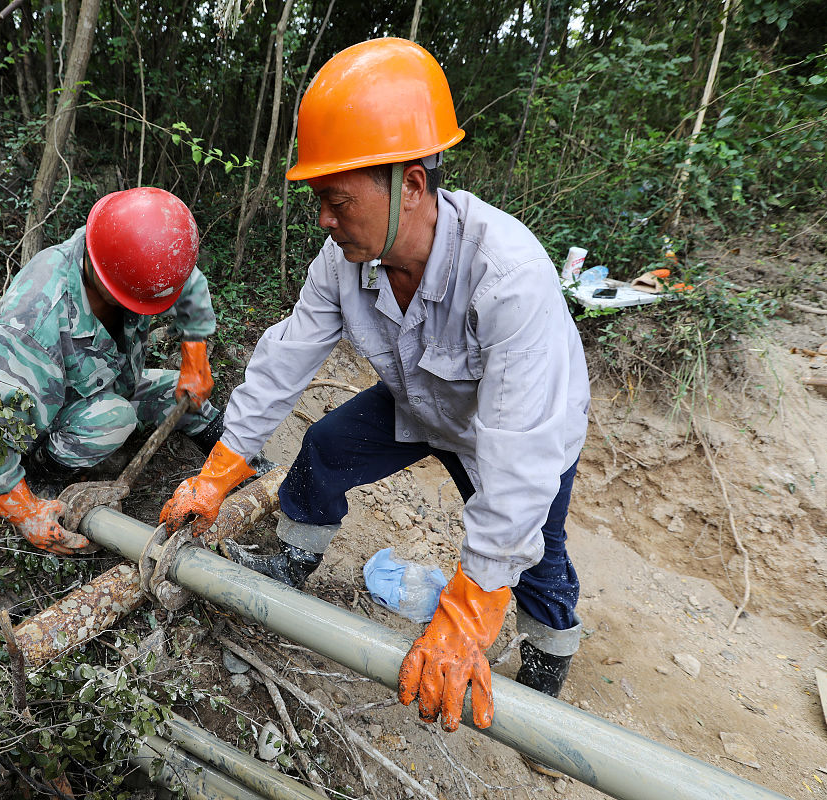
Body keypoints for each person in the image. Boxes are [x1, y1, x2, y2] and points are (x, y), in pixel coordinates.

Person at [159, 38, 590, 746]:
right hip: (423, 402)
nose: (324, 219)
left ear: (412, 185)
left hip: (516, 430)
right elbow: (286, 357)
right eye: (319, 201)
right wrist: (220, 469)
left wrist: (468, 604)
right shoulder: (344, 262)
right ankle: (294, 557)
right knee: (326, 448)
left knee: (534, 545)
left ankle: (548, 661)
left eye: (337, 200)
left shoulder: (507, 276)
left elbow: (520, 455)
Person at [0, 187, 227, 556]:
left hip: (112, 381)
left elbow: (186, 281)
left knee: (178, 390)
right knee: (114, 417)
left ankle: (234, 453)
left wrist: (195, 356)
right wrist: (26, 512)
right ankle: (45, 474)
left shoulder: (124, 249)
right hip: (51, 417)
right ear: (111, 284)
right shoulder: (34, 324)